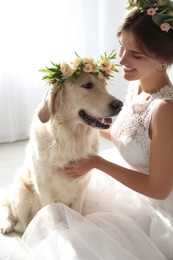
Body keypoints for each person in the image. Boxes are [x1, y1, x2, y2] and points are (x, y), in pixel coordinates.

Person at [6, 1, 173, 259]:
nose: (122, 60)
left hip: (153, 203)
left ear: (164, 60)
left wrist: (96, 162)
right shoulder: (137, 85)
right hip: (127, 179)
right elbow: (128, 134)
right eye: (122, 47)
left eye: (136, 55)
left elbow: (159, 189)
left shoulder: (165, 110)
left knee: (84, 244)